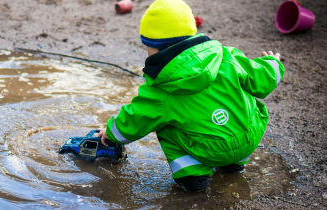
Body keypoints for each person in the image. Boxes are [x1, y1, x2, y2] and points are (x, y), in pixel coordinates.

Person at [98, 0, 284, 192]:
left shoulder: (159, 88)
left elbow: (136, 118)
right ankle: (234, 165)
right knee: (244, 100)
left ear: (153, 47)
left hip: (210, 150)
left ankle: (192, 176)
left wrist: (111, 133)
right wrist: (272, 62)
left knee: (163, 125)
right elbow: (261, 77)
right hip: (248, 137)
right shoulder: (226, 55)